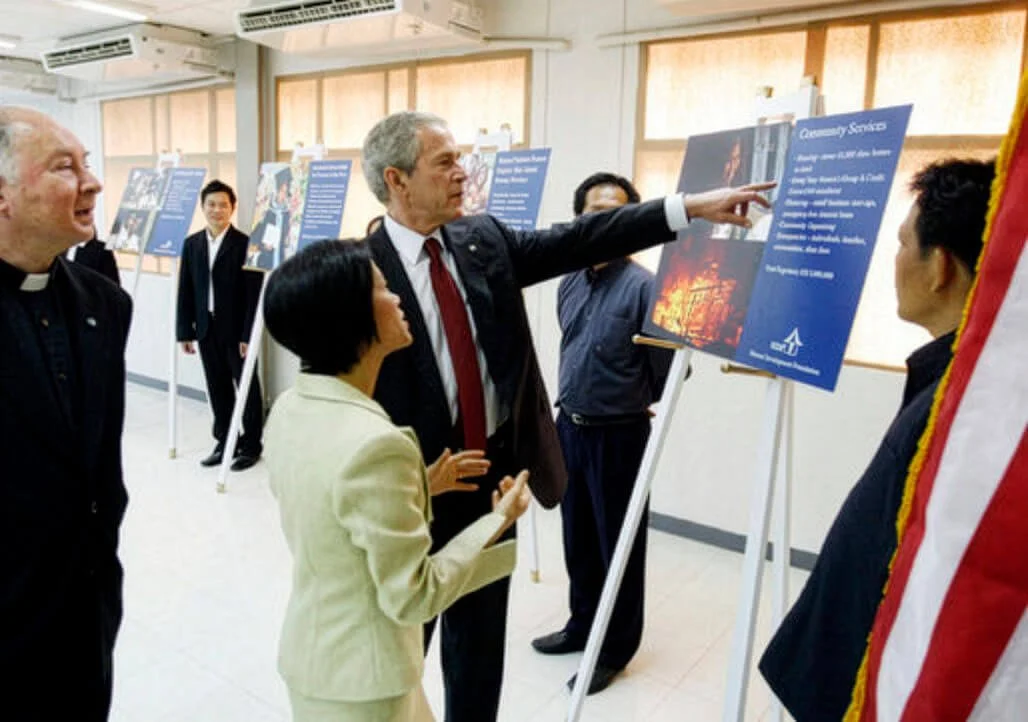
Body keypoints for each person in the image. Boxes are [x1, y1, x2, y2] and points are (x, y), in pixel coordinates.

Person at [360, 110, 772, 722]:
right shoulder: (355, 272)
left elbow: (582, 238)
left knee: (478, 653)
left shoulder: (484, 241)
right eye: (444, 162)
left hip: (493, 487)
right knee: (401, 650)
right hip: (412, 489)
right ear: (396, 179)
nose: (462, 173)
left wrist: (688, 207)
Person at [758, 158, 997, 721]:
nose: (893, 261)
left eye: (901, 242)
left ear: (939, 266)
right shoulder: (961, 376)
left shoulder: (962, 407)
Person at [262, 239, 532, 722]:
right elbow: (415, 593)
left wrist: (421, 485)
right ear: (351, 318)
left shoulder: (288, 408)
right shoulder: (377, 444)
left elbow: (331, 506)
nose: (400, 299)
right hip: (367, 682)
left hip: (317, 655)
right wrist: (497, 519)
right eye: (385, 289)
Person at [0, 106, 133, 721]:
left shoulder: (105, 304)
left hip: (86, 609)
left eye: (88, 165)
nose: (93, 182)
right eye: (64, 167)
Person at [531, 172, 675, 694]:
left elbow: (663, 374)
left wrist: (627, 404)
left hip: (620, 436)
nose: (605, 222)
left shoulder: (646, 287)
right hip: (570, 428)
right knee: (578, 539)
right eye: (594, 213)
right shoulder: (568, 277)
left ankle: (613, 649)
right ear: (578, 220)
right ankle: (581, 626)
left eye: (617, 212)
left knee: (619, 545)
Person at [176, 180, 264, 471]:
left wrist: (248, 335)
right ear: (203, 207)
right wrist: (184, 331)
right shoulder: (192, 244)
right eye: (211, 204)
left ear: (232, 208)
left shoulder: (245, 244)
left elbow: (254, 295)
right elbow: (186, 289)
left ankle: (251, 445)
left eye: (223, 205)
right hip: (205, 329)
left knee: (247, 388)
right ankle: (225, 440)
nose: (217, 210)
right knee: (217, 388)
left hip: (237, 332)